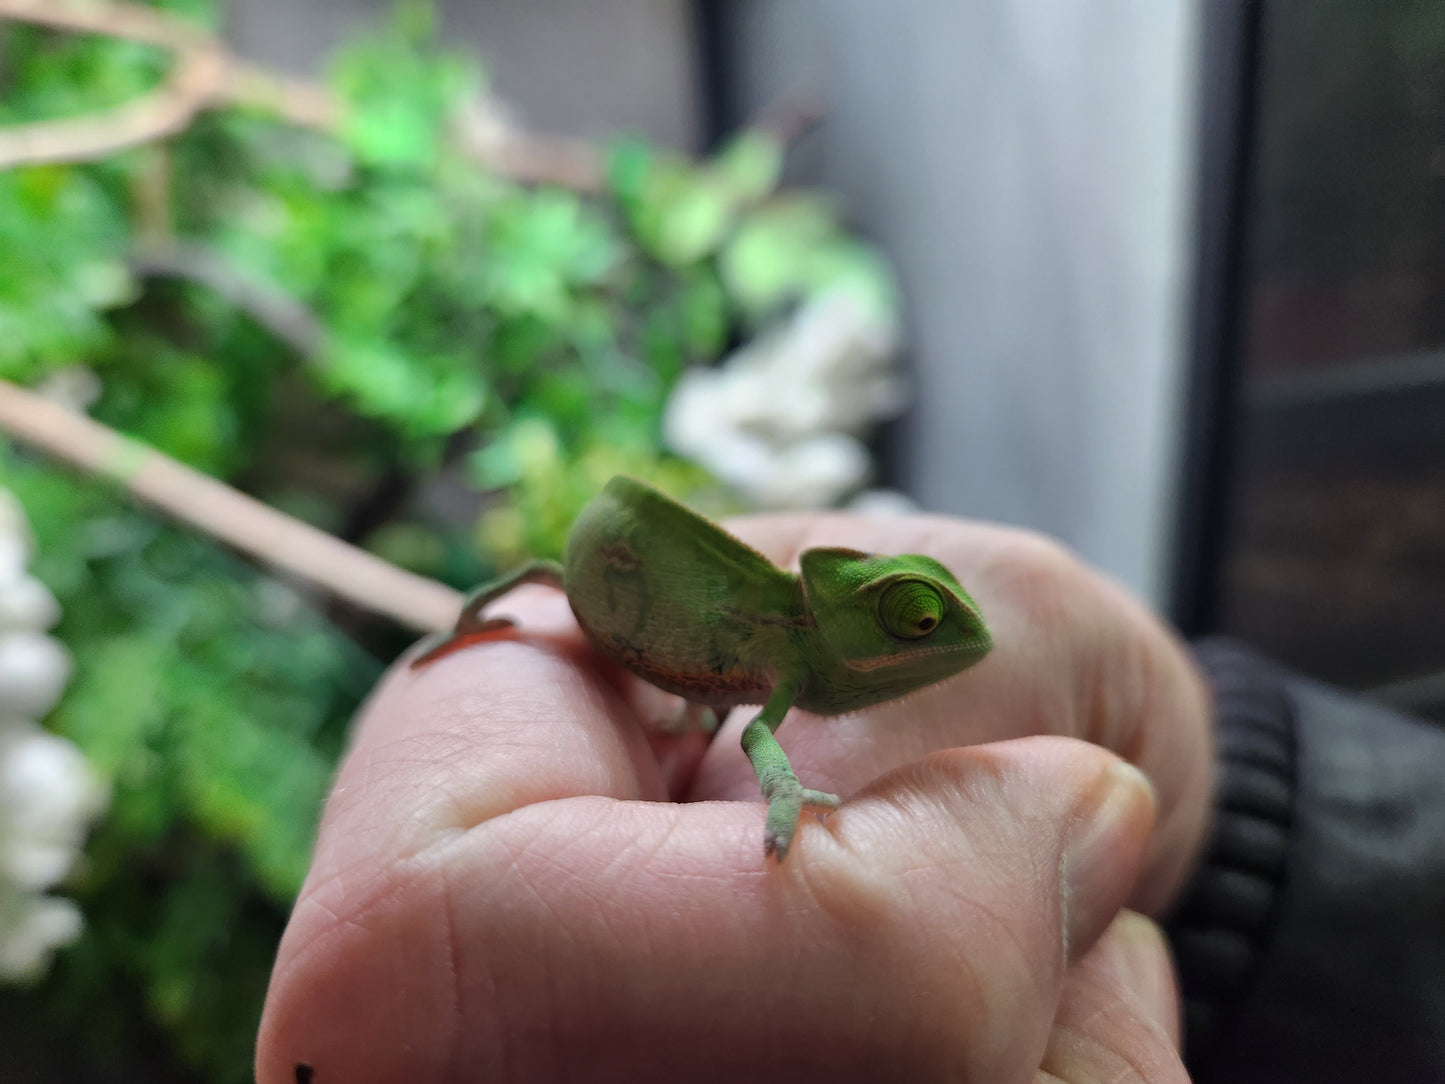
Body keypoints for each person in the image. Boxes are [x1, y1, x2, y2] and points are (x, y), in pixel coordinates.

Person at [253, 511, 1445, 1083]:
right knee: (536, 596)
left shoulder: (808, 657)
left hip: (636, 621)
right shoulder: (789, 652)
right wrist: (786, 809)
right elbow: (763, 735)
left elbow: (749, 721)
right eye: (912, 624)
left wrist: (1223, 823)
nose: (947, 644)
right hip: (610, 595)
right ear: (843, 614)